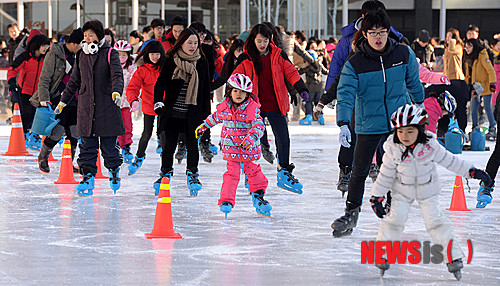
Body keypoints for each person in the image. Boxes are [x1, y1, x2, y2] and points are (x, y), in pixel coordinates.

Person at [369, 104, 491, 280]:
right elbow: (385, 173)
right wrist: (376, 196)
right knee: (393, 220)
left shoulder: (430, 145)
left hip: (427, 189)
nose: (404, 136)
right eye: (400, 131)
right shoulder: (393, 148)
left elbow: (451, 161)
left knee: (436, 222)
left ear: (419, 130)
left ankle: (453, 256)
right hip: (402, 190)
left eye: (410, 131)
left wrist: (472, 172)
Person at [331, 9, 424, 237]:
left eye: (382, 32)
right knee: (359, 170)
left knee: (395, 169)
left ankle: (393, 208)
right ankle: (350, 213)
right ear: (365, 34)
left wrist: (419, 105)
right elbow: (345, 94)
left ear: (388, 32)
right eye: (373, 33)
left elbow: (413, 82)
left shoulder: (403, 53)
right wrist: (343, 122)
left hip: (397, 123)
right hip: (368, 124)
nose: (378, 37)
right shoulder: (355, 63)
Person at [323, 0, 403, 194]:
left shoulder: (392, 37)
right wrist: (331, 92)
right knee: (352, 131)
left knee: (386, 136)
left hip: (385, 97)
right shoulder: (349, 38)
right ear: (364, 16)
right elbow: (338, 64)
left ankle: (383, 170)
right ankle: (346, 170)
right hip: (357, 94)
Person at [233, 23, 309, 194]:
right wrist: (231, 100)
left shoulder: (278, 54)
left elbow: (291, 72)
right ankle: (249, 171)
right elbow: (235, 79)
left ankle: (284, 171)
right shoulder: (246, 58)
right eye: (259, 41)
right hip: (253, 106)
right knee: (250, 141)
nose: (262, 44)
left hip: (275, 104)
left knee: (283, 139)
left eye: (265, 41)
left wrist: (301, 88)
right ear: (253, 40)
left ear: (270, 40)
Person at [55, 19, 124, 196]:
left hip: (106, 107)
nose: (87, 39)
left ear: (99, 36)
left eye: (90, 35)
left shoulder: (110, 54)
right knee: (86, 146)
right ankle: (87, 178)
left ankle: (114, 169)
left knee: (109, 147)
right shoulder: (81, 55)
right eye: (85, 36)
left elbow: (117, 75)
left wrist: (116, 91)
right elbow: (74, 81)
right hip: (86, 108)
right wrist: (63, 101)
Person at [195, 74, 272, 217]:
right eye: (236, 90)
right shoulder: (225, 108)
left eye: (242, 92)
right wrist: (204, 126)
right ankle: (226, 200)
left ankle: (258, 197)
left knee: (253, 173)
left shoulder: (251, 109)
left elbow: (259, 125)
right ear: (229, 91)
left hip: (248, 149)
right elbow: (215, 117)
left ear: (247, 94)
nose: (238, 94)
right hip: (231, 148)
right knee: (232, 174)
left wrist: (251, 138)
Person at [153, 28, 211, 196]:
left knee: (193, 146)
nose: (193, 46)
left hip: (193, 112)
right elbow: (160, 83)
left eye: (195, 43)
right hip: (172, 112)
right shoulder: (171, 60)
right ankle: (165, 173)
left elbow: (205, 89)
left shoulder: (202, 62)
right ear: (181, 43)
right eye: (189, 43)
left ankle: (192, 174)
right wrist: (158, 102)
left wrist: (206, 118)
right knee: (169, 146)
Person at [30, 28, 84, 173]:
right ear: (73, 43)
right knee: (56, 133)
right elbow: (44, 78)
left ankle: (68, 163)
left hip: (75, 100)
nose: (82, 47)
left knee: (74, 133)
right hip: (57, 99)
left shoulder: (81, 55)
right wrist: (44, 99)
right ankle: (43, 157)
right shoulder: (54, 54)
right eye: (80, 44)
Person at [126, 41, 165, 175]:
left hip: (164, 106)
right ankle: (139, 157)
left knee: (163, 133)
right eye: (152, 54)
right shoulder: (142, 70)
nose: (155, 57)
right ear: (147, 55)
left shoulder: (165, 68)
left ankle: (166, 163)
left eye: (157, 54)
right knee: (146, 133)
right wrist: (133, 100)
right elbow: (133, 87)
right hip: (149, 105)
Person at [7, 33, 50, 151]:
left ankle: (34, 135)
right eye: (43, 45)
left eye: (47, 45)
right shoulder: (25, 57)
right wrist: (11, 81)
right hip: (25, 90)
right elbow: (13, 69)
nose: (46, 48)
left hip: (39, 92)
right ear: (36, 45)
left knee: (38, 115)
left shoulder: (47, 58)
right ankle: (24, 135)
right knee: (25, 114)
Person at [464, 38, 497, 139]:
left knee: (487, 107)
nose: (467, 49)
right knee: (473, 108)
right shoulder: (470, 57)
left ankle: (492, 128)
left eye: (469, 46)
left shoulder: (482, 54)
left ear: (475, 46)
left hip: (486, 85)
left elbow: (490, 69)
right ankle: (475, 128)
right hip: (476, 86)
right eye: (466, 46)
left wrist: (492, 82)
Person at [114, 40, 138, 164]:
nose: (121, 57)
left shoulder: (132, 67)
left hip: (127, 101)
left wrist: (135, 99)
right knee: (115, 125)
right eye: (118, 54)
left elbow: (135, 84)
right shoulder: (111, 66)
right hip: (114, 101)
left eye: (124, 55)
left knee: (127, 125)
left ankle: (127, 147)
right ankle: (117, 145)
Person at [298, 41, 328, 125]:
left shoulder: (308, 66)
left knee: (308, 101)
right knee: (318, 102)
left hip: (310, 86)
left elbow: (300, 72)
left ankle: (309, 116)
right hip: (319, 86)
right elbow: (326, 72)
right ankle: (321, 117)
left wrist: (296, 69)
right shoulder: (320, 64)